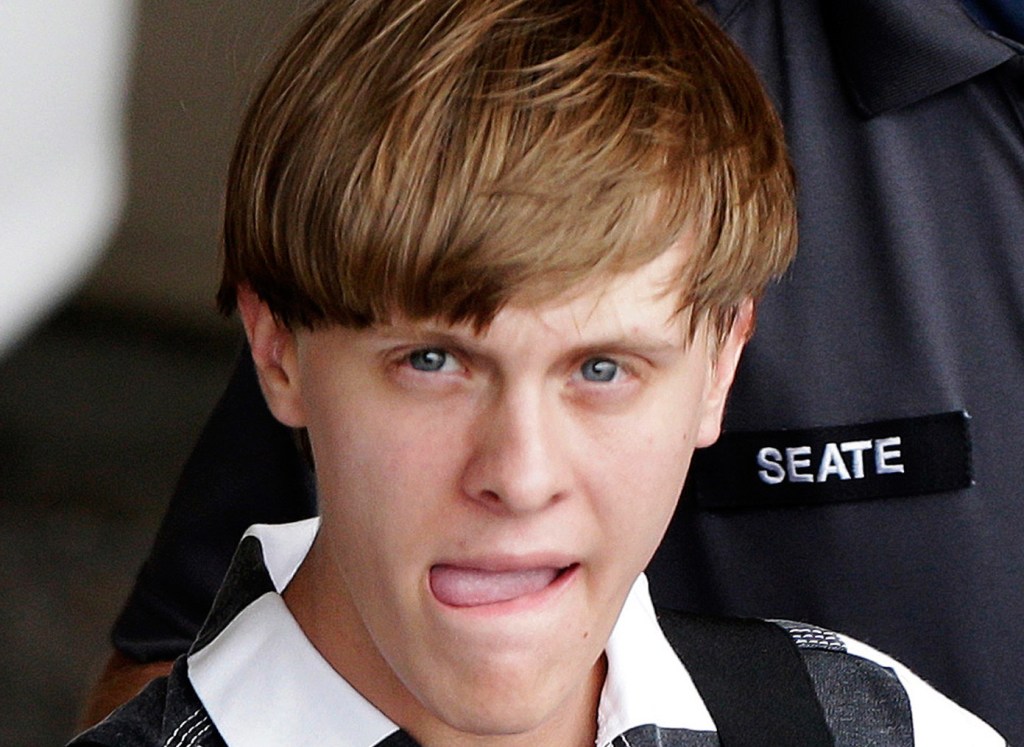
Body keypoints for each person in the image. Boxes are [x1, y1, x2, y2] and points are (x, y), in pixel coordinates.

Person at [80, 0, 1024, 741]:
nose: (521, 473)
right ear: (276, 348)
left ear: (723, 361)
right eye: (434, 360)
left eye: (603, 368)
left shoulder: (882, 719)